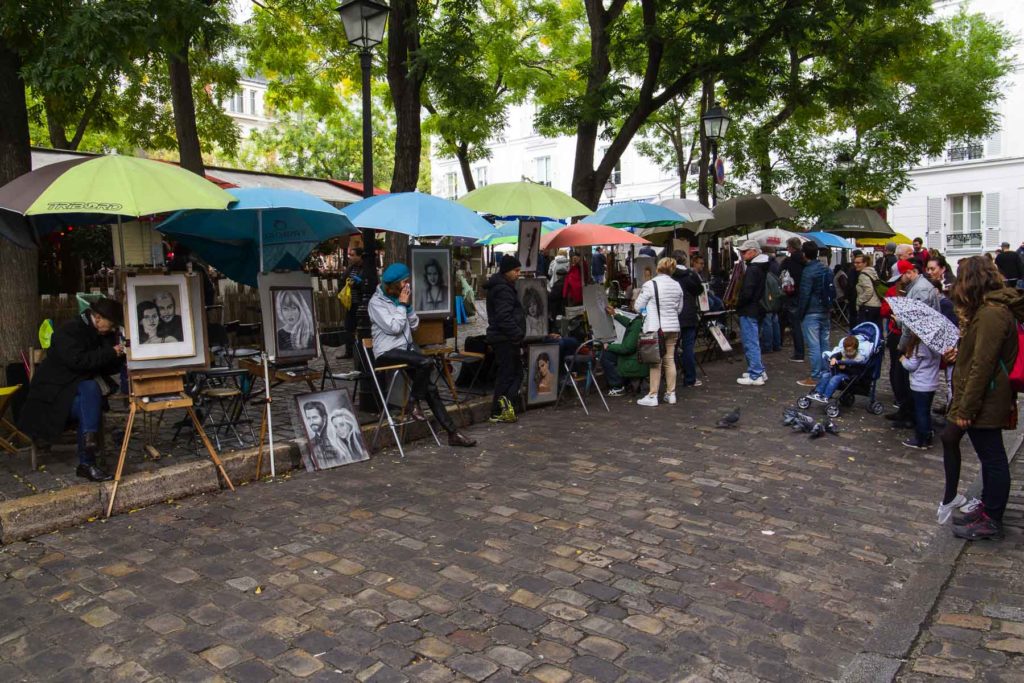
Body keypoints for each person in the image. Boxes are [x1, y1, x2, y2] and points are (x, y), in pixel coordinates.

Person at [945, 255, 1023, 540]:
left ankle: (992, 517)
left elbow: (983, 365)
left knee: (992, 458)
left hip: (987, 397)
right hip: (988, 395)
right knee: (989, 456)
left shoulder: (991, 313)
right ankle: (989, 509)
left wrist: (966, 407)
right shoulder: (989, 310)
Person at [369, 263, 476, 447]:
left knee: (431, 389)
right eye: (404, 282)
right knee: (426, 362)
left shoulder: (400, 300)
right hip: (387, 352)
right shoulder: (376, 303)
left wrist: (408, 308)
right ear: (394, 285)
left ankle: (452, 433)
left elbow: (414, 325)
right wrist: (402, 305)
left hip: (406, 350)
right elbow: (394, 328)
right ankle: (414, 402)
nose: (407, 285)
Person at [18, 299, 126, 482]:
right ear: (98, 318)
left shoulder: (103, 334)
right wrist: (109, 352)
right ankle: (88, 452)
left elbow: (107, 368)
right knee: (90, 392)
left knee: (90, 389)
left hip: (80, 398)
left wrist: (119, 354)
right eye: (112, 323)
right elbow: (79, 362)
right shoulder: (69, 330)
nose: (114, 328)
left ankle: (87, 455)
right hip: (53, 398)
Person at [634, 257, 684, 406]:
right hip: (673, 327)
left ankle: (653, 395)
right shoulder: (677, 285)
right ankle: (671, 393)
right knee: (669, 359)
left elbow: (638, 306)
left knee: (655, 361)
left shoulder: (650, 284)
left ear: (658, 268)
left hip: (655, 328)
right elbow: (679, 309)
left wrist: (646, 310)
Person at [485, 255, 527, 423]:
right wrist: (517, 334)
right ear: (506, 271)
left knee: (512, 373)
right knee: (509, 374)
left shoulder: (503, 286)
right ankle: (499, 409)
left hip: (504, 337)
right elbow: (504, 317)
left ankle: (503, 407)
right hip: (505, 338)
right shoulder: (503, 289)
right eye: (516, 271)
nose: (518, 274)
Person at [736, 240, 771, 386]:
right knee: (753, 341)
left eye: (745, 252)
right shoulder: (761, 266)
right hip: (756, 308)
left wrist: (739, 303)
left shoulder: (753, 269)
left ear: (754, 251)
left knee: (751, 342)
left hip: (750, 309)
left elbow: (748, 292)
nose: (742, 254)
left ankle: (755, 373)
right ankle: (758, 370)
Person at [797, 242, 830, 387]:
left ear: (804, 254)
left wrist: (800, 313)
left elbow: (805, 294)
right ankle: (826, 372)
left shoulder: (808, 271)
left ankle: (816, 376)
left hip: (811, 311)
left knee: (814, 345)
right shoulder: (825, 268)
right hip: (825, 309)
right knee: (825, 343)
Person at [899, 331, 941, 450]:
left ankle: (922, 439)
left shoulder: (920, 346)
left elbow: (911, 366)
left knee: (921, 412)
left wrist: (903, 360)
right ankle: (927, 432)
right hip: (932, 383)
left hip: (920, 384)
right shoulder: (936, 346)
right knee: (926, 410)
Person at [670, 250, 704, 388]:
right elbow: (699, 290)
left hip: (672, 315)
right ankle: (689, 378)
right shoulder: (691, 274)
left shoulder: (669, 275)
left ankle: (669, 378)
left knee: (671, 348)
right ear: (685, 260)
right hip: (689, 314)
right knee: (688, 348)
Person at [804, 334, 869, 403]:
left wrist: (845, 368)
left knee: (835, 379)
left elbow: (857, 371)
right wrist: (833, 358)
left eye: (850, 351)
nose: (848, 353)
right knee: (825, 375)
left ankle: (826, 396)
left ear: (856, 349)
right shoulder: (844, 353)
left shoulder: (859, 358)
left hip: (849, 375)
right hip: (838, 372)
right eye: (846, 351)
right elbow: (836, 354)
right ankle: (817, 392)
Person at [600, 305, 647, 396]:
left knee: (606, 355)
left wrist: (609, 346)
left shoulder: (638, 323)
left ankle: (617, 387)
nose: (632, 303)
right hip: (640, 357)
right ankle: (622, 382)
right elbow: (630, 324)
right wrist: (614, 314)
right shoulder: (644, 319)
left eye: (634, 302)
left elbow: (627, 348)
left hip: (634, 360)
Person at [780, 237, 806, 362]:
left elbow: (780, 273)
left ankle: (799, 353)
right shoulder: (806, 260)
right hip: (805, 295)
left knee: (795, 325)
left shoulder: (788, 261)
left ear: (790, 247)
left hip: (792, 295)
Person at [340, 246, 364, 358]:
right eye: (350, 255)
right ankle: (348, 351)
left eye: (353, 255)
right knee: (348, 327)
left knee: (361, 328)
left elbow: (366, 284)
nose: (351, 257)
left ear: (360, 256)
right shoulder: (350, 268)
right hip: (351, 303)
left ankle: (361, 352)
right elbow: (343, 280)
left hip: (360, 302)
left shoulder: (364, 268)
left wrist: (357, 283)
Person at [853, 252, 882, 327]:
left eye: (858, 263)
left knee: (865, 330)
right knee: (876, 329)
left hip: (868, 306)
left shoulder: (863, 275)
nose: (855, 264)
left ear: (865, 263)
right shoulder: (872, 272)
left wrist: (859, 301)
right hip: (877, 305)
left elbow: (869, 290)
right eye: (855, 262)